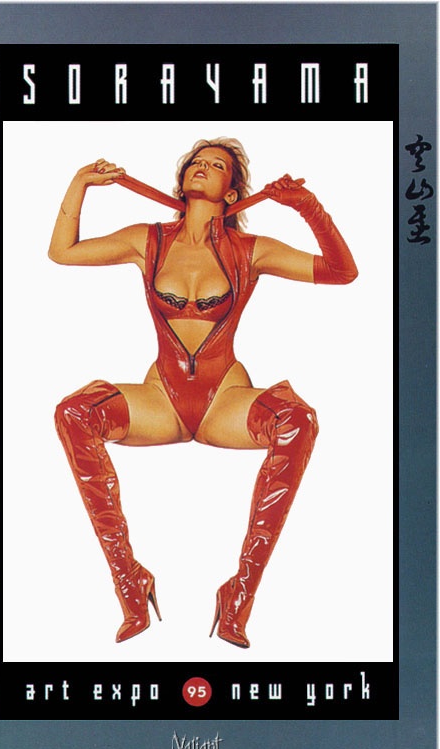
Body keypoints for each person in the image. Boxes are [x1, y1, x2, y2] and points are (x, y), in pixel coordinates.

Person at [50, 137, 358, 648]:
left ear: (231, 192)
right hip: (162, 400)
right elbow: (62, 252)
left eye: (217, 165)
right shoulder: (147, 240)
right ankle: (129, 581)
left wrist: (308, 208)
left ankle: (239, 595)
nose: (202, 167)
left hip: (223, 401)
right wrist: (80, 183)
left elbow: (342, 272)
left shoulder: (250, 250)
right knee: (73, 412)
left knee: (299, 420)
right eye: (196, 161)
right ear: (183, 181)